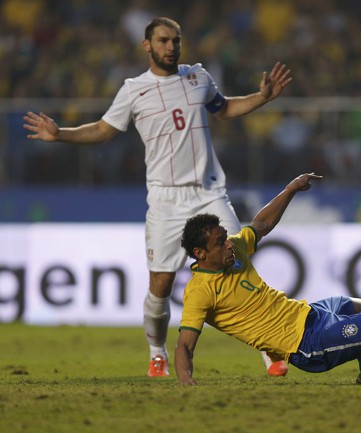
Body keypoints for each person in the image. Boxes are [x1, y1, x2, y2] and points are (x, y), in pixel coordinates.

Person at [22, 17, 293, 378]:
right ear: (146, 46)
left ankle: (268, 349)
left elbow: (225, 108)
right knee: (161, 286)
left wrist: (261, 97)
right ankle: (156, 351)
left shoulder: (198, 77)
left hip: (209, 192)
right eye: (163, 41)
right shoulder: (134, 90)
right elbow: (103, 130)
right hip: (166, 200)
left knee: (237, 263)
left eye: (175, 41)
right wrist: (61, 135)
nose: (171, 47)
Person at [175, 172, 361, 385]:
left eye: (226, 238)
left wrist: (291, 187)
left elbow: (262, 224)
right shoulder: (200, 292)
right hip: (305, 344)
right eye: (220, 243)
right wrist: (186, 381)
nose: (229, 244)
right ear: (200, 253)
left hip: (309, 314)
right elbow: (185, 345)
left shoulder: (235, 249)